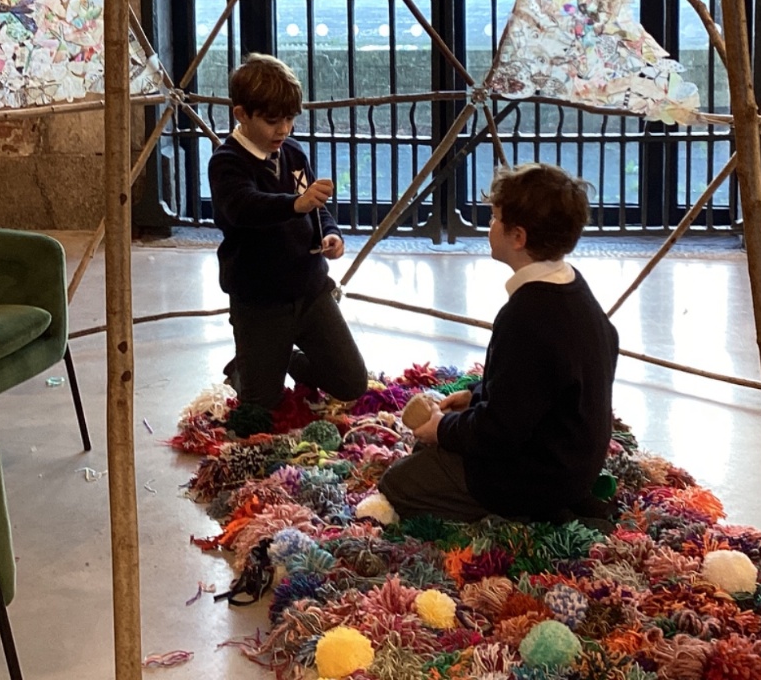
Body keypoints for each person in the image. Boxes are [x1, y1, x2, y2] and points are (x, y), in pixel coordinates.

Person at [378, 162, 618, 522]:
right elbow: (535, 387)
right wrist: (477, 395)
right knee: (435, 448)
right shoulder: (573, 288)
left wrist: (441, 428)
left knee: (398, 483)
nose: (489, 225)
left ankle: (532, 518)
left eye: (495, 218)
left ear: (517, 237)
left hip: (540, 477)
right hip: (571, 461)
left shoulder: (527, 315)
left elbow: (498, 433)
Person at [208, 53, 368, 411]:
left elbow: (316, 207)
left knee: (351, 383)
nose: (284, 129)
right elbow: (243, 207)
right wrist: (296, 204)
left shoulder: (293, 152)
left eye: (290, 119)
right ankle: (246, 367)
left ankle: (287, 360)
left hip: (311, 291)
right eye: (272, 121)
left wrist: (331, 233)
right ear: (241, 114)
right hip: (260, 301)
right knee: (260, 406)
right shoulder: (226, 161)